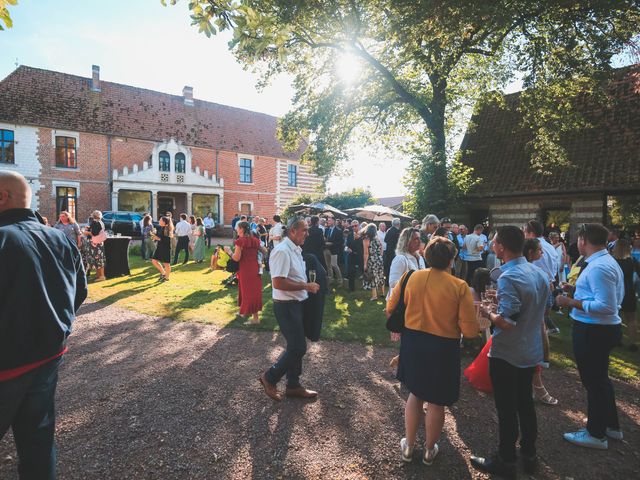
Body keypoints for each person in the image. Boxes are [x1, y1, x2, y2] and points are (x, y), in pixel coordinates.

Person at [0, 170, 87, 479]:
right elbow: (79, 293)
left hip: (7, 364)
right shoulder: (59, 238)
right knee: (38, 444)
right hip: (48, 357)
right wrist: (55, 325)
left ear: (3, 197)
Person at [387, 236, 478, 466]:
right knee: (436, 401)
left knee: (415, 393)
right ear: (451, 259)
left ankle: (408, 446)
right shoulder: (459, 286)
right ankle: (429, 450)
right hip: (443, 346)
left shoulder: (410, 277)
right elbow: (469, 332)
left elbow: (390, 307)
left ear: (427, 255)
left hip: (414, 342)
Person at [470, 226, 549, 478]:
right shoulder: (538, 273)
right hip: (530, 348)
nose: (492, 245)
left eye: (494, 242)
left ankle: (505, 460)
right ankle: (529, 454)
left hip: (508, 353)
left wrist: (487, 312)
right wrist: (501, 303)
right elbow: (534, 308)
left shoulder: (508, 276)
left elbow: (507, 322)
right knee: (525, 403)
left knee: (506, 408)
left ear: (502, 247)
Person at [556, 224, 624, 450]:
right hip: (600, 328)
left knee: (593, 382)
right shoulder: (605, 262)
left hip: (594, 330)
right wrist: (575, 290)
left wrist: (570, 302)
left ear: (584, 240)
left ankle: (596, 434)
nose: (576, 243)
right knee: (601, 380)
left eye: (578, 239)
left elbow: (607, 306)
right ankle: (611, 426)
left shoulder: (599, 268)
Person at [259, 217, 320, 401]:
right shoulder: (282, 251)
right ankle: (269, 377)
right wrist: (305, 286)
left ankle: (293, 385)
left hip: (296, 304)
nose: (307, 234)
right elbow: (278, 282)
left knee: (296, 345)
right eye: (304, 230)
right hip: (286, 306)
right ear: (292, 231)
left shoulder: (295, 250)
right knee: (298, 347)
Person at [522, 238, 558, 406]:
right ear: (530, 253)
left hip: (533, 319)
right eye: (539, 250)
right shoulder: (532, 272)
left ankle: (534, 386)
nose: (542, 253)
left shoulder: (536, 272)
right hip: (528, 321)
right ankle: (536, 386)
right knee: (531, 353)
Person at [224, 221, 267, 325]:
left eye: (237, 228)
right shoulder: (255, 240)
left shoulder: (240, 241)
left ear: (242, 229)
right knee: (249, 290)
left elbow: (236, 258)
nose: (236, 229)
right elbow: (265, 251)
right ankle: (244, 311)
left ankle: (255, 318)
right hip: (255, 268)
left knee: (248, 291)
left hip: (246, 269)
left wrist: (229, 251)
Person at [525, 219, 561, 335]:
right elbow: (555, 266)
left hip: (536, 285)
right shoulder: (550, 247)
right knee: (542, 316)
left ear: (530, 232)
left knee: (535, 318)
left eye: (525, 232)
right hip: (549, 284)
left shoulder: (532, 247)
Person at [611, 239, 637, 350]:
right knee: (631, 319)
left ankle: (617, 339)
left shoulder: (612, 261)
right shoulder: (632, 260)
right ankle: (633, 342)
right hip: (629, 291)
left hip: (615, 291)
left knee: (616, 317)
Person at [81, 210, 107, 282]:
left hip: (95, 244)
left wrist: (86, 232)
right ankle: (99, 276)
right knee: (98, 259)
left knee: (98, 259)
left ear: (93, 215)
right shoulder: (100, 222)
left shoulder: (95, 222)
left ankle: (101, 276)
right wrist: (89, 229)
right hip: (98, 243)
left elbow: (94, 234)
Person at [362, 223, 386, 300]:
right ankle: (382, 293)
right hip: (379, 259)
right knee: (380, 275)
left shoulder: (366, 239)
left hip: (372, 260)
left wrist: (365, 264)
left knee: (373, 277)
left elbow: (366, 253)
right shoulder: (377, 238)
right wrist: (380, 256)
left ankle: (374, 296)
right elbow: (381, 247)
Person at [151, 216, 173, 281]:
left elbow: (165, 240)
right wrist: (154, 236)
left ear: (164, 222)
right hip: (159, 247)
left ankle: (167, 278)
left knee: (166, 264)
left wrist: (156, 238)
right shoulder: (160, 228)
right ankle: (163, 273)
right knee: (154, 261)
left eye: (160, 220)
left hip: (165, 248)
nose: (159, 221)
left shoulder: (167, 229)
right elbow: (158, 237)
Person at [324, 216, 343, 285]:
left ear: (334, 221)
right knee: (328, 266)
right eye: (328, 220)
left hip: (334, 250)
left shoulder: (339, 230)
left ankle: (340, 280)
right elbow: (326, 238)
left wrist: (332, 243)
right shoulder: (326, 230)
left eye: (329, 220)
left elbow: (340, 242)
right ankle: (330, 279)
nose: (328, 222)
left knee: (334, 265)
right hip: (326, 250)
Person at [346, 220, 364, 291]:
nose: (354, 227)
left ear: (359, 225)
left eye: (355, 225)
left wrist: (358, 238)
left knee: (363, 271)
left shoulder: (363, 234)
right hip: (351, 255)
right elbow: (346, 245)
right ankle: (351, 288)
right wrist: (347, 248)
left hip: (360, 255)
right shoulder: (350, 234)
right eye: (352, 226)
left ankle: (367, 287)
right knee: (351, 272)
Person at [384, 218, 401, 285]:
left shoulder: (389, 230)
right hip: (394, 251)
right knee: (394, 266)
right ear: (398, 224)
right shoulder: (397, 232)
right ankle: (392, 280)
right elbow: (399, 242)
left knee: (388, 265)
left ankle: (387, 281)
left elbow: (385, 240)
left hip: (388, 250)